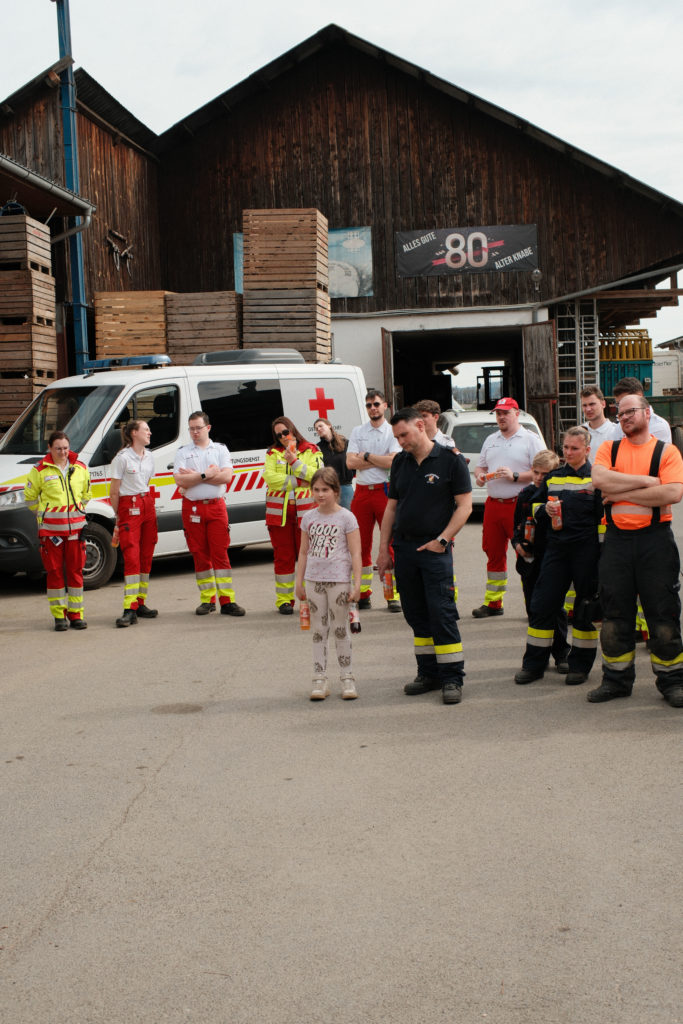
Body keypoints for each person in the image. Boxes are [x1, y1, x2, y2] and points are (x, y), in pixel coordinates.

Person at [589, 396, 683, 707]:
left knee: (663, 614)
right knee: (615, 614)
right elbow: (600, 481)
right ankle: (616, 680)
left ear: (647, 412)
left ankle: (672, 682)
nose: (624, 417)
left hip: (655, 542)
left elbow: (672, 492)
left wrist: (619, 493)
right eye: (620, 412)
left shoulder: (666, 451)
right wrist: (644, 484)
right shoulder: (609, 449)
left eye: (631, 411)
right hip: (617, 542)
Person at [377, 408, 472, 705]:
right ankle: (428, 673)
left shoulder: (450, 461)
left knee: (441, 614)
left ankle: (452, 678)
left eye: (404, 435)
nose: (401, 441)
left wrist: (442, 540)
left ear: (421, 425)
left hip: (434, 550)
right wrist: (383, 550)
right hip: (404, 550)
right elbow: (391, 508)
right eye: (397, 437)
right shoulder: (401, 463)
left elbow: (464, 507)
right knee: (416, 614)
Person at [514, 427, 602, 686]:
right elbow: (532, 505)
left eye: (574, 448)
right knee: (541, 606)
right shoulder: (553, 477)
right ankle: (534, 665)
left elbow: (603, 519)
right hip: (557, 550)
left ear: (587, 450)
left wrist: (602, 556)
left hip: (586, 551)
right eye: (565, 447)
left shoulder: (597, 478)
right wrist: (545, 509)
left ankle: (579, 666)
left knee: (585, 609)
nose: (568, 452)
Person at [472, 397, 545, 617]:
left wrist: (515, 476)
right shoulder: (491, 439)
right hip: (494, 504)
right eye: (498, 413)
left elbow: (543, 471)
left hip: (519, 504)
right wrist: (480, 477)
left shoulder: (530, 439)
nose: (501, 417)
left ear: (516, 413)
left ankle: (533, 605)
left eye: (505, 413)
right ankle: (494, 603)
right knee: (493, 553)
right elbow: (480, 466)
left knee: (525, 553)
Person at [295, 467, 362, 700]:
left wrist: (357, 584)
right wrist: (299, 581)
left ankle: (347, 678)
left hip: (339, 582)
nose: (320, 494)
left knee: (341, 630)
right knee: (318, 630)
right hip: (314, 581)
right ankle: (319, 679)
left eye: (325, 489)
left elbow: (356, 553)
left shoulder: (346, 517)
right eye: (316, 490)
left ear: (336, 491)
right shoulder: (308, 518)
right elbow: (303, 552)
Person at [173, 411, 245, 617]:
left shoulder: (220, 449)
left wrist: (195, 477)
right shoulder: (183, 452)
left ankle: (227, 600)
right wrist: (207, 474)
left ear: (208, 428)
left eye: (198, 428)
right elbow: (180, 481)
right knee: (199, 553)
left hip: (216, 507)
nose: (194, 432)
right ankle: (207, 600)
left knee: (220, 553)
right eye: (191, 428)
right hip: (192, 508)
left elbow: (227, 477)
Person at [23, 430, 91, 630]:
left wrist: (75, 512)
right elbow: (30, 499)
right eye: (58, 448)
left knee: (76, 572)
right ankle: (59, 617)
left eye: (66, 448)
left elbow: (87, 494)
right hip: (51, 533)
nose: (63, 452)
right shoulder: (39, 470)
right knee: (54, 573)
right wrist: (45, 515)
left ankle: (76, 615)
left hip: (76, 531)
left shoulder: (80, 468)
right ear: (49, 449)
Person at [512, 448, 570, 673]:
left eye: (544, 474)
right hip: (529, 562)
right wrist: (517, 545)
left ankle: (561, 653)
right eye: (535, 472)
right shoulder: (525, 494)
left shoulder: (559, 495)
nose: (538, 478)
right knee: (533, 609)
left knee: (556, 610)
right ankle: (539, 655)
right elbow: (516, 526)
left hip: (552, 559)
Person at [346, 389, 401, 611]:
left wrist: (366, 457)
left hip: (384, 491)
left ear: (385, 405)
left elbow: (394, 461)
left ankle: (391, 594)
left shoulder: (392, 432)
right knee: (360, 545)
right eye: (369, 405)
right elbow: (350, 463)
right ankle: (363, 593)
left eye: (376, 404)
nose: (372, 409)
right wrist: (379, 460)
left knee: (388, 544)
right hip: (361, 492)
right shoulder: (358, 431)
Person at [263, 416, 323, 614]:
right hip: (279, 514)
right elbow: (270, 478)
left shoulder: (311, 449)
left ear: (293, 429)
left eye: (285, 432)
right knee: (283, 557)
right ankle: (284, 600)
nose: (282, 437)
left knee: (308, 557)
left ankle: (308, 597)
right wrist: (299, 481)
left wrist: (295, 462)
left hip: (305, 513)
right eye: (278, 434)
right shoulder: (272, 453)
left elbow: (317, 476)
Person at [109, 419, 159, 627]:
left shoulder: (150, 457)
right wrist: (119, 516)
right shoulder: (121, 458)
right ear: (134, 433)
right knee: (131, 556)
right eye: (146, 430)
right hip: (129, 507)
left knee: (146, 556)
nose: (150, 433)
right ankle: (129, 608)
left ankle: (140, 603)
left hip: (147, 504)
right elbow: (114, 491)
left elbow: (145, 483)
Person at [613, 377, 671, 442]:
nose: (621, 407)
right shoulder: (619, 427)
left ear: (639, 396)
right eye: (618, 404)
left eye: (625, 401)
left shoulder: (658, 426)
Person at [313, 418, 355, 509]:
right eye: (316, 428)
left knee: (347, 518)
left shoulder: (346, 443)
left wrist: (349, 475)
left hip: (345, 487)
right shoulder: (318, 447)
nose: (318, 429)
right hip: (328, 488)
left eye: (320, 426)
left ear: (329, 425)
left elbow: (353, 462)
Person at [581, 385, 618, 450]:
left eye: (592, 404)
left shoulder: (615, 432)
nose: (588, 409)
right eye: (584, 405)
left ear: (603, 404)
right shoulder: (579, 432)